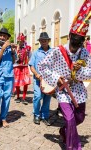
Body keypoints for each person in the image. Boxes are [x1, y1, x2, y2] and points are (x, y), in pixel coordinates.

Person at [38, 1, 91, 149]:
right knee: (69, 118)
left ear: (82, 42)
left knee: (79, 118)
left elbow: (90, 70)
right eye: (73, 44)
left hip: (78, 90)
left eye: (78, 45)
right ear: (69, 36)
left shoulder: (84, 52)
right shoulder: (57, 51)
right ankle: (73, 146)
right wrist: (56, 78)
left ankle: (64, 131)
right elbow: (42, 66)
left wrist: (77, 72)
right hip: (63, 90)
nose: (74, 49)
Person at [29, 32, 52, 126]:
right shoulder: (36, 53)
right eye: (42, 40)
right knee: (38, 97)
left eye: (45, 40)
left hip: (50, 80)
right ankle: (36, 115)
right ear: (40, 41)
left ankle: (45, 116)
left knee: (47, 98)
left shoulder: (53, 52)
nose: (43, 42)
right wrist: (36, 74)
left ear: (48, 41)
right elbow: (31, 66)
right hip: (38, 80)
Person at [13, 33, 31, 105]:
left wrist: (28, 62)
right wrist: (16, 56)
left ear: (24, 41)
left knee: (25, 82)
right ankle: (18, 96)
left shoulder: (28, 48)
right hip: (17, 66)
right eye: (19, 41)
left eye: (21, 41)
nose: (20, 42)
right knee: (17, 83)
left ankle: (24, 97)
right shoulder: (14, 48)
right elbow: (13, 58)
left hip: (25, 67)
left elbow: (30, 56)